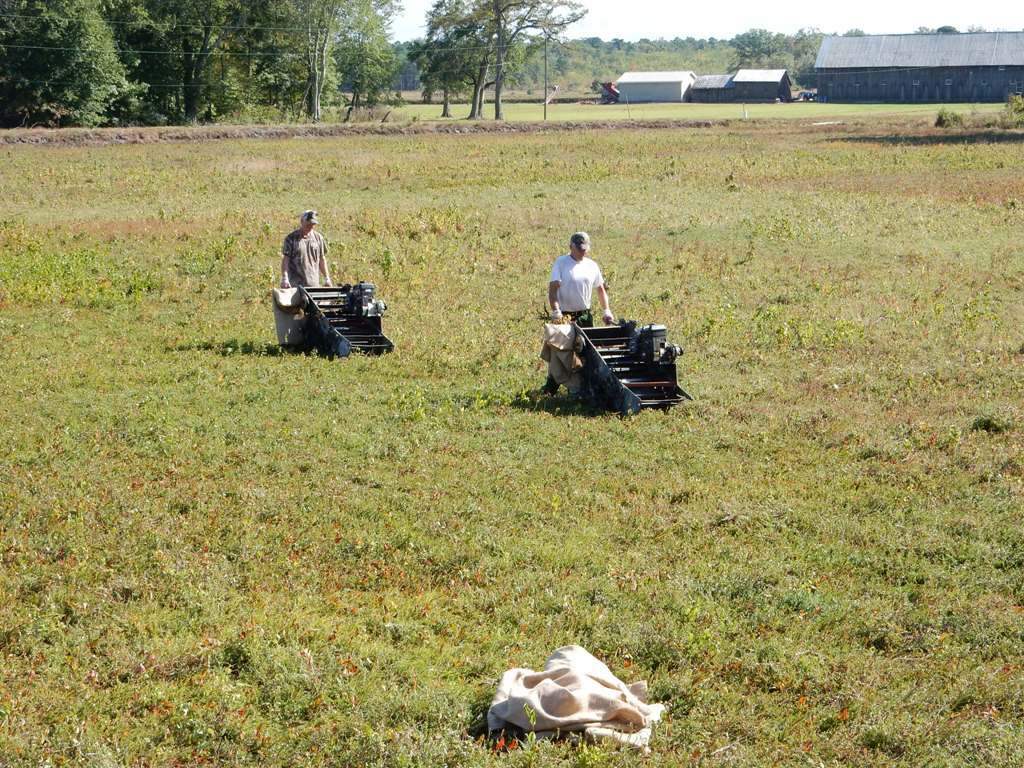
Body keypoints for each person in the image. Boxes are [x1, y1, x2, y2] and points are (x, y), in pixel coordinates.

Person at [543, 232, 615, 394]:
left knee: (586, 353)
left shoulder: (592, 266)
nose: (582, 252)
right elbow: (553, 289)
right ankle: (551, 387)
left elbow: (600, 290)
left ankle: (584, 387)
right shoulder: (561, 263)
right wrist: (556, 310)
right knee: (560, 352)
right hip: (564, 316)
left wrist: (606, 310)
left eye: (585, 249)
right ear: (571, 247)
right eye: (579, 249)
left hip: (584, 315)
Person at [280, 210, 332, 289]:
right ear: (301, 222)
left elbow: (322, 259)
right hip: (296, 286)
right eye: (308, 224)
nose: (310, 227)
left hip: (314, 285)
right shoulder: (291, 238)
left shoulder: (318, 238)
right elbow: (286, 259)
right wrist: (285, 278)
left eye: (313, 225)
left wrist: (327, 278)